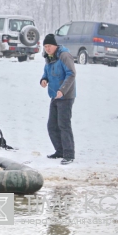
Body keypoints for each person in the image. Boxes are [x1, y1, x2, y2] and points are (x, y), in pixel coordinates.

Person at [40, 33, 76, 165]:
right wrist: (44, 80)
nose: (47, 49)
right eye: (45, 46)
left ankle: (69, 154)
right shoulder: (49, 58)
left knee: (63, 125)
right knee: (52, 125)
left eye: (49, 46)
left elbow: (71, 74)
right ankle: (60, 151)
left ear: (55, 45)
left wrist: (62, 90)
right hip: (55, 96)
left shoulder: (64, 56)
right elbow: (46, 72)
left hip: (66, 96)